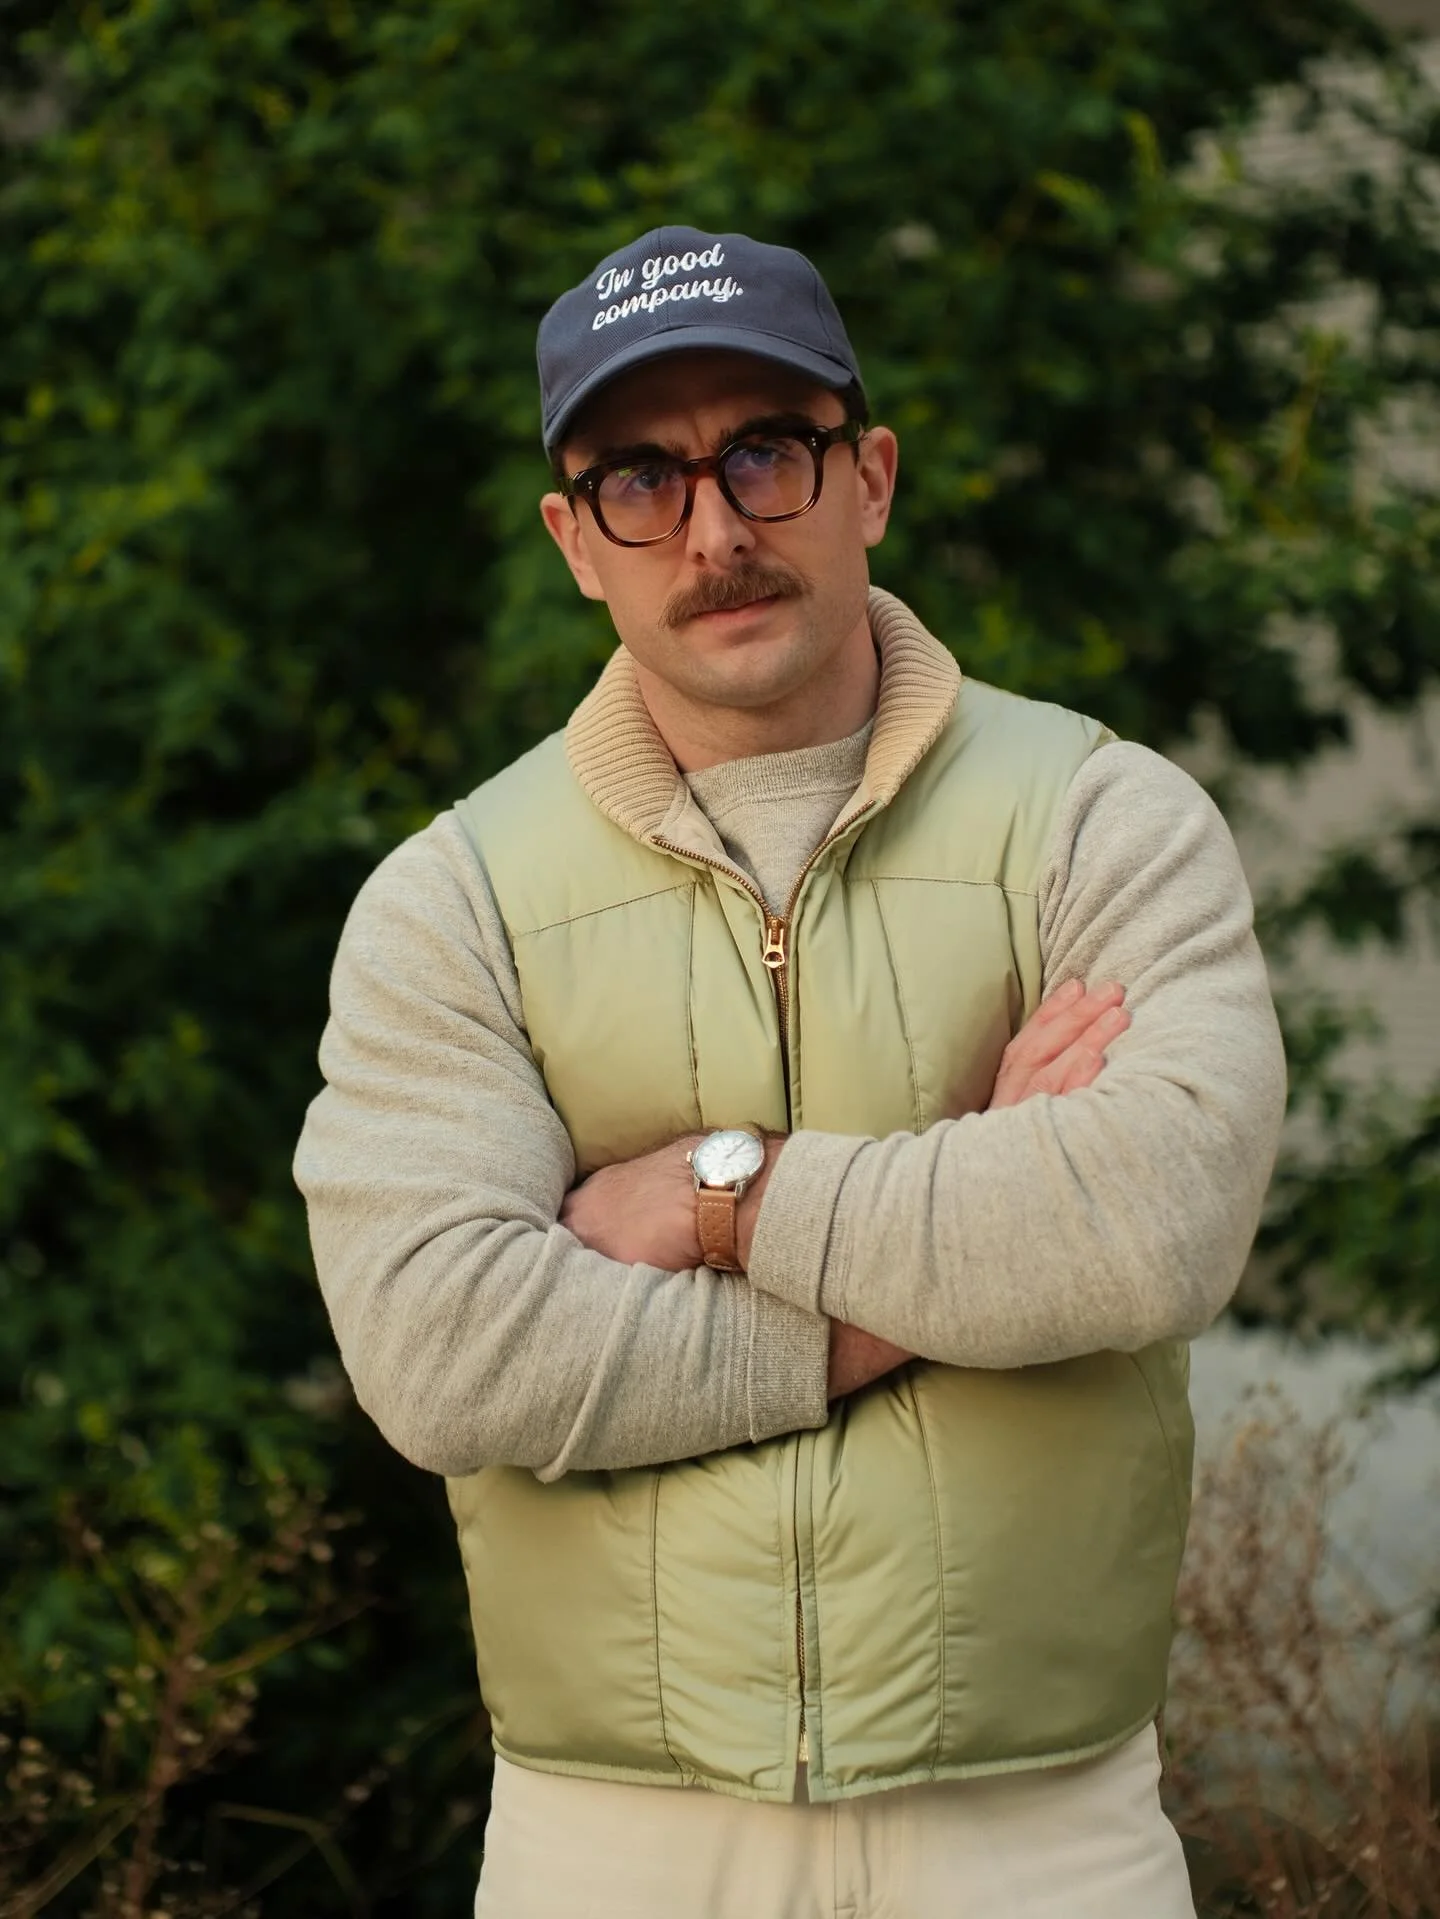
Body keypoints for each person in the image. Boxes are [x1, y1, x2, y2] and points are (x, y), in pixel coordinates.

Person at [294, 226, 1286, 1918]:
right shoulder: (452, 900)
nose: (716, 528)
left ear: (870, 477)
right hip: (609, 1840)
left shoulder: (1099, 818)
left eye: (767, 452)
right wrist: (963, 1216)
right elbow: (448, 1354)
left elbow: (1152, 1224)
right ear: (571, 542)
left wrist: (704, 1196)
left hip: (1041, 1831)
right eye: (639, 481)